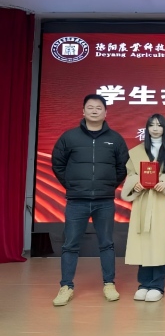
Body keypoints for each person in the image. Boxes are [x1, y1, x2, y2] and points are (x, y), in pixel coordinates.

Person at [51, 94, 129, 306]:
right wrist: (72, 185)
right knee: (70, 244)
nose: (94, 111)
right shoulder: (69, 137)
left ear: (106, 112)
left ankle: (109, 284)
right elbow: (58, 164)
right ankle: (66, 286)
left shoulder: (115, 139)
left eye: (99, 108)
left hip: (104, 201)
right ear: (83, 111)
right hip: (77, 201)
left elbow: (123, 167)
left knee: (106, 243)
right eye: (90, 107)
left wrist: (108, 185)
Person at [121, 114, 165, 302]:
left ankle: (157, 285)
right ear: (147, 129)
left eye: (159, 125)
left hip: (161, 201)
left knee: (159, 243)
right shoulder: (136, 152)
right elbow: (130, 175)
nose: (155, 129)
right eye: (151, 125)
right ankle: (143, 284)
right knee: (143, 242)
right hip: (142, 201)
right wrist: (136, 185)